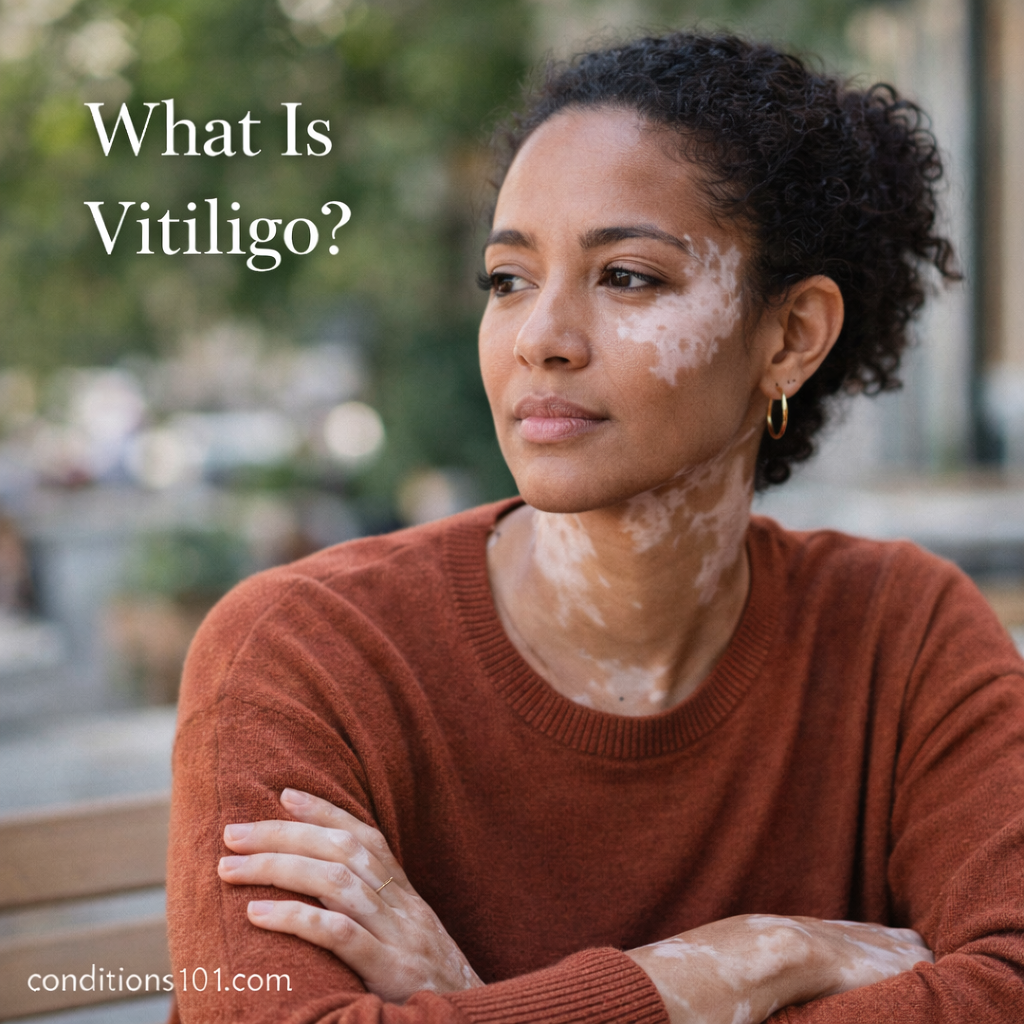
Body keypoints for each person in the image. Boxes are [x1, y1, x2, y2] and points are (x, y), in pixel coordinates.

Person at [166, 32, 1024, 1024]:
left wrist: (474, 1004)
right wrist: (739, 962)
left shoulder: (903, 635)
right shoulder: (301, 652)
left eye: (626, 277)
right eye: (508, 280)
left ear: (789, 337)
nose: (539, 338)